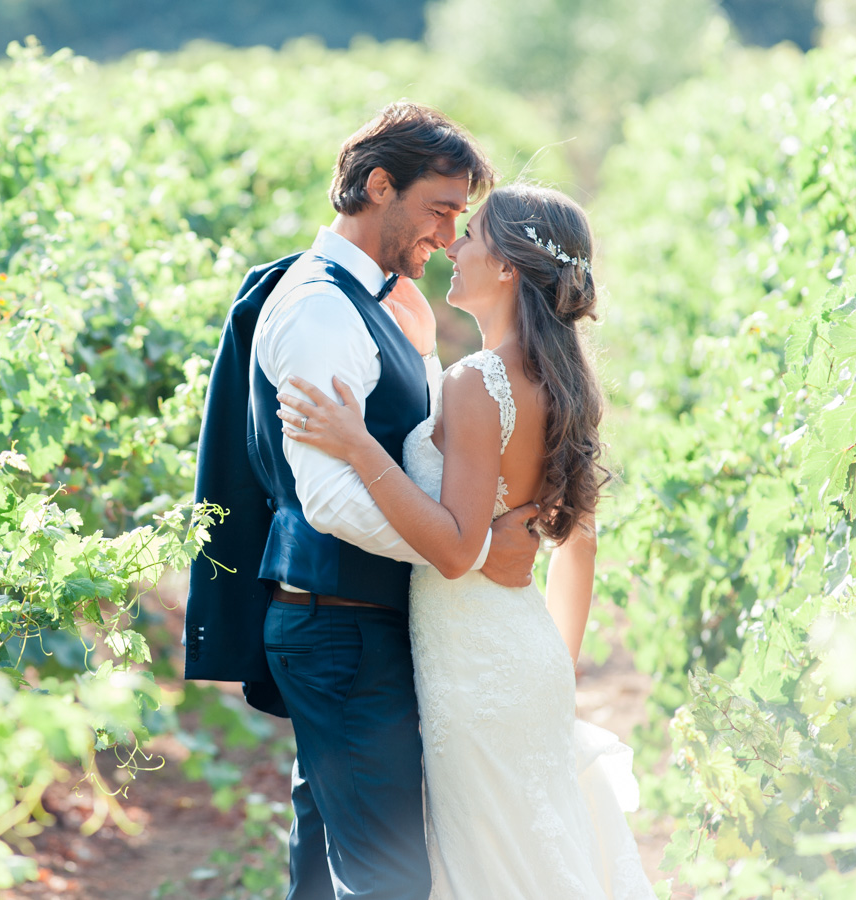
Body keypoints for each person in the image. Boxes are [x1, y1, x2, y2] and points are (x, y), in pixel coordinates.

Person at [183, 102, 542, 899]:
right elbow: (332, 501)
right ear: (380, 186)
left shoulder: (375, 301)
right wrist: (471, 551)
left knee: (329, 863)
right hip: (339, 627)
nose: (450, 238)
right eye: (440, 210)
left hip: (355, 621)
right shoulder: (317, 309)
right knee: (388, 878)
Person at [276, 183, 657, 898]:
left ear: (509, 265)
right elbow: (580, 548)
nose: (454, 245)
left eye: (473, 235)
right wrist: (553, 672)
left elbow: (454, 549)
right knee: (528, 860)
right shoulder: (561, 380)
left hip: (475, 666)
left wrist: (360, 447)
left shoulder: (480, 381)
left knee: (490, 869)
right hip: (523, 655)